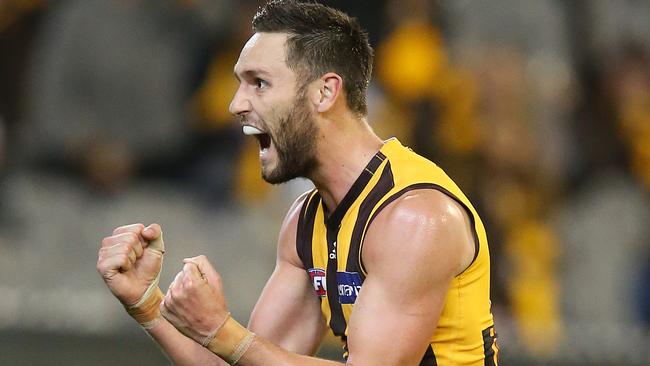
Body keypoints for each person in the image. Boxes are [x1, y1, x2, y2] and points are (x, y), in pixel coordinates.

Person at [96, 1, 498, 365]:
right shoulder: (305, 222)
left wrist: (221, 330)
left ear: (325, 92)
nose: (236, 104)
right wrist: (148, 303)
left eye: (259, 83)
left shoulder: (414, 217)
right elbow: (243, 360)